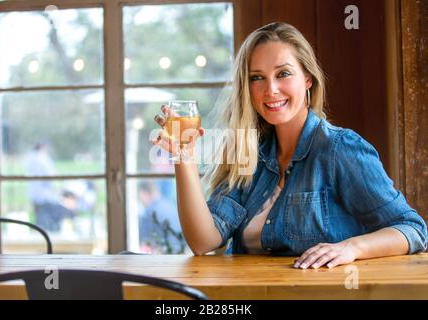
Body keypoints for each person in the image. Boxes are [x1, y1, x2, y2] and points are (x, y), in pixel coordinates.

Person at [152, 22, 427, 269]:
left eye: (283, 73)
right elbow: (203, 242)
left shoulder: (340, 149)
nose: (270, 89)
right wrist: (184, 159)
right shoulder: (247, 152)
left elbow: (413, 229)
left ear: (307, 79)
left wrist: (351, 247)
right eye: (256, 77)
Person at [25, 142, 74, 233]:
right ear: (43, 147)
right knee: (47, 219)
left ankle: (40, 233)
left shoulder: (30, 158)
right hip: (45, 195)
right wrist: (59, 188)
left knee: (40, 219)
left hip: (35, 194)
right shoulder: (43, 159)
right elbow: (51, 176)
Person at [138, 181, 184, 253]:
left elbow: (145, 244)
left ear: (145, 194)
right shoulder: (172, 206)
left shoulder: (149, 212)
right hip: (181, 252)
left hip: (165, 254)